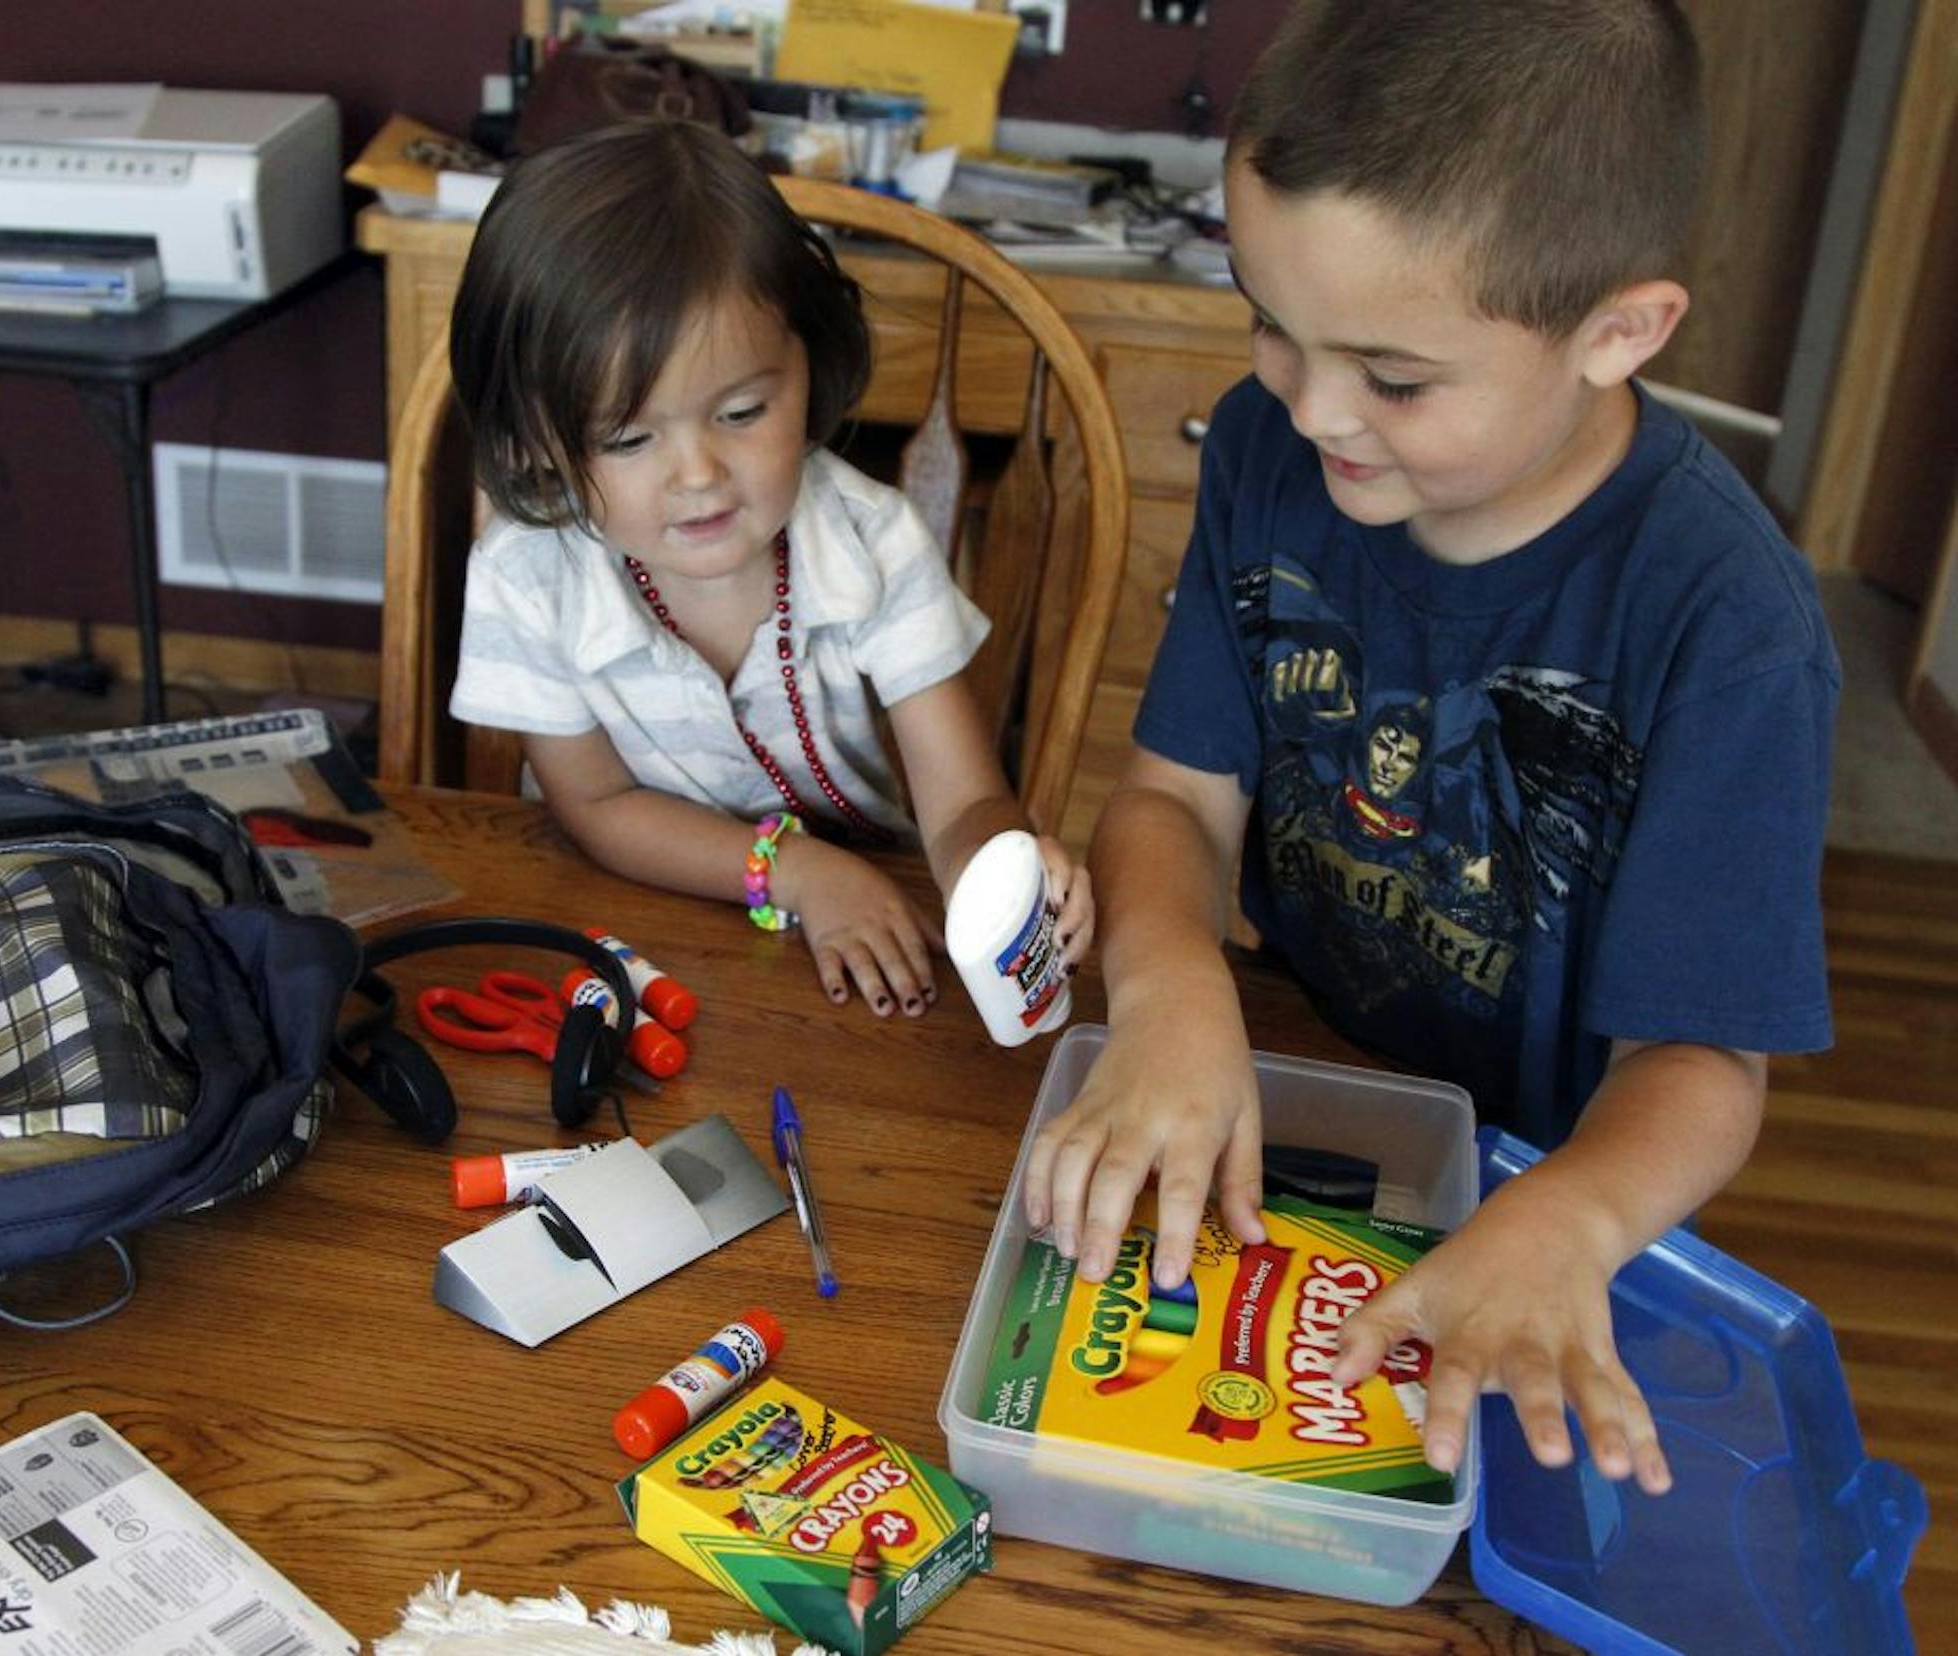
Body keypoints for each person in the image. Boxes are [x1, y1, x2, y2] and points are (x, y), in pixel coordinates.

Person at [1025, 0, 1837, 1497]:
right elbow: (1172, 802)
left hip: (1547, 1193)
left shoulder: (1730, 626)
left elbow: (1704, 1059)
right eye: (1272, 321)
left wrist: (1572, 1225)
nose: (1312, 404)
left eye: (1394, 379)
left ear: (1619, 331)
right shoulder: (1270, 453)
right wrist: (1169, 986)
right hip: (1290, 1089)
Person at [446, 120, 1092, 1017]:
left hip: (879, 947)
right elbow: (594, 805)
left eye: (743, 411)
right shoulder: (527, 577)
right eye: (631, 438)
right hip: (642, 930)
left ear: (808, 366)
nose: (700, 475)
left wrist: (1012, 874)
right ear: (537, 445)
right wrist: (801, 873)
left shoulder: (874, 544)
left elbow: (963, 803)